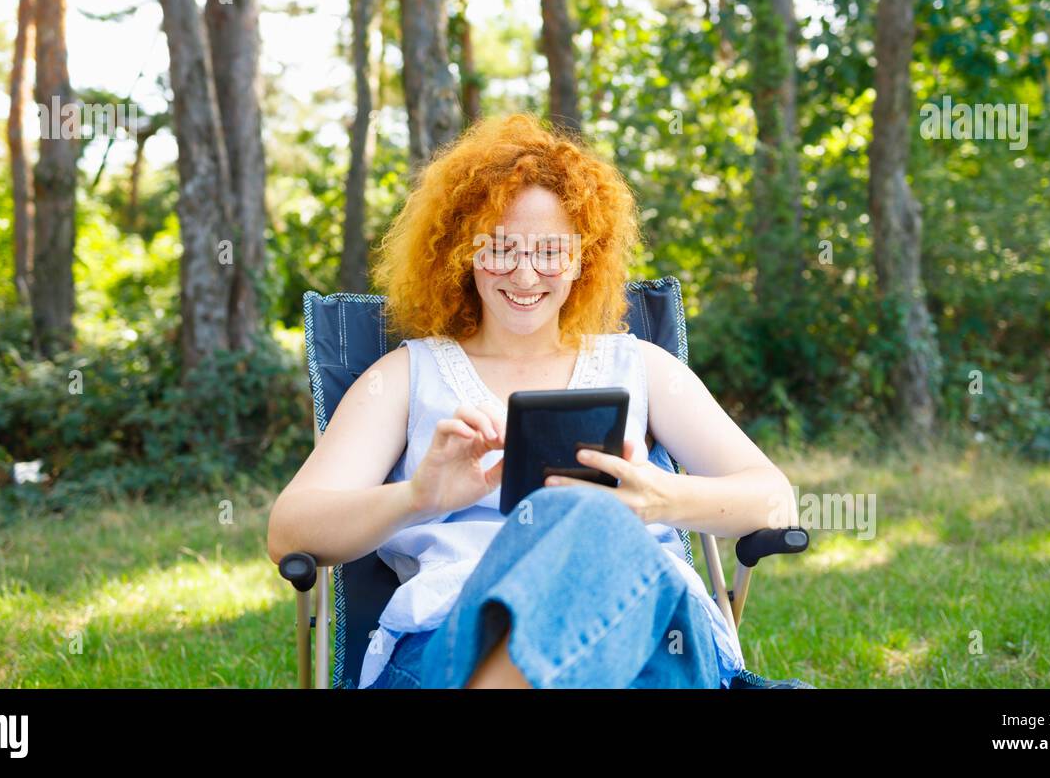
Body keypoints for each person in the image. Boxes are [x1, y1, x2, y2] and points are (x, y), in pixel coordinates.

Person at [267, 113, 805, 689]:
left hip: (653, 637)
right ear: (461, 253)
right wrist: (418, 497)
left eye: (551, 251)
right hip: (461, 639)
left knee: (589, 521)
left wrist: (658, 499)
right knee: (566, 517)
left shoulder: (640, 365)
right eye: (499, 248)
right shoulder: (404, 377)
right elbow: (290, 531)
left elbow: (774, 501)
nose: (525, 275)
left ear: (583, 257)